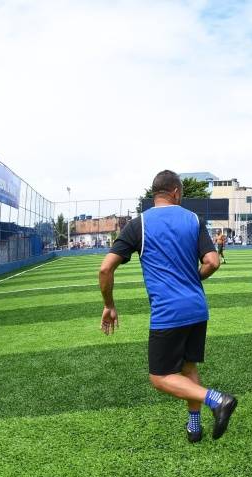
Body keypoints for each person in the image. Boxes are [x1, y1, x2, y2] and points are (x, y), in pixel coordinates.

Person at [99, 170, 237, 444]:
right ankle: (194, 427)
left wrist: (109, 305)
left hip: (168, 313)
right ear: (175, 192)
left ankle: (217, 399)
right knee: (188, 366)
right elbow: (213, 261)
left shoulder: (140, 224)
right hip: (197, 308)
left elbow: (105, 269)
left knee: (160, 377)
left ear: (157, 193)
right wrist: (191, 279)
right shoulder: (193, 219)